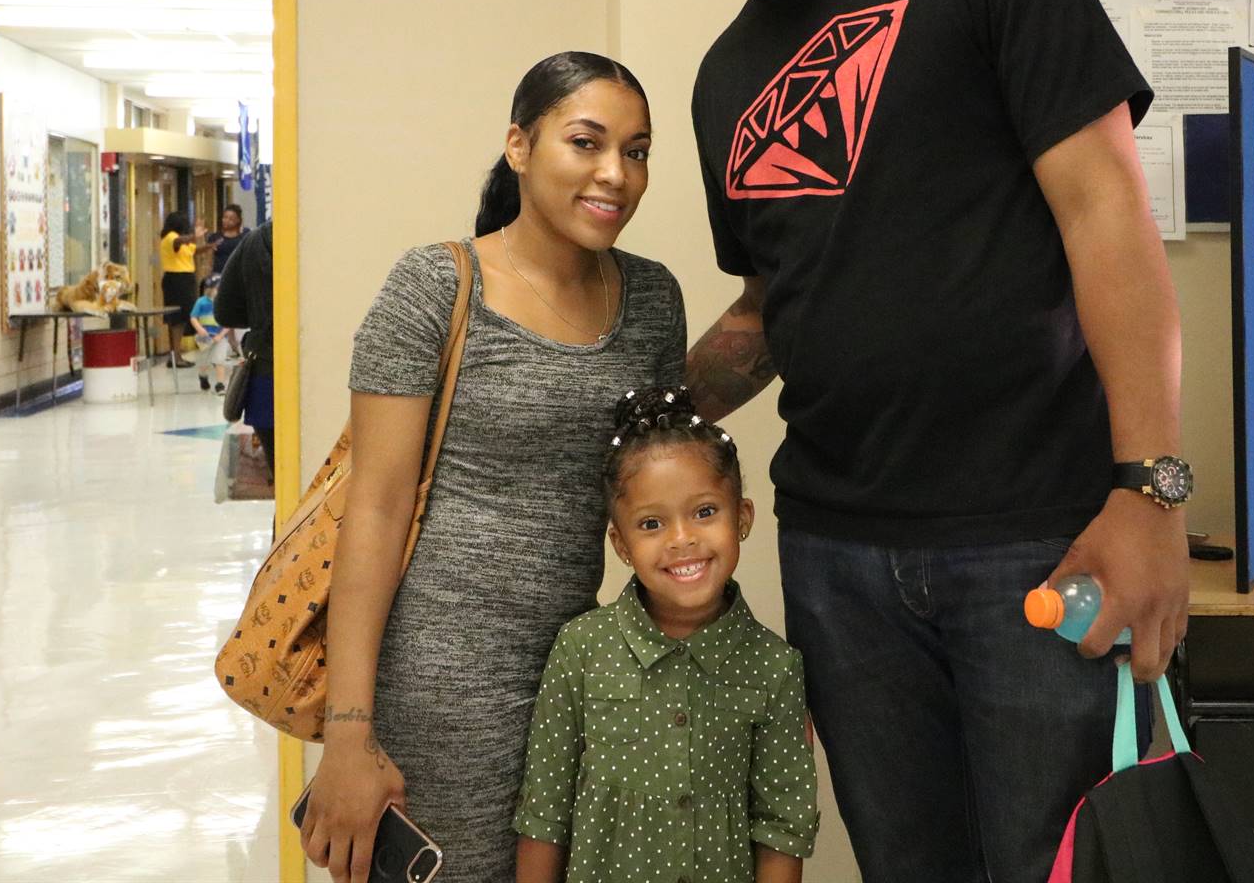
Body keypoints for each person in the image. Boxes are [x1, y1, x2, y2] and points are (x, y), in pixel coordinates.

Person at [666, 0, 1189, 882]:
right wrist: (649, 407)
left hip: (1034, 533)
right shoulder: (721, 80)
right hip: (837, 556)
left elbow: (1108, 213)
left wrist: (1151, 486)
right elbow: (774, 296)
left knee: (1062, 865)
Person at [299, 53, 688, 883]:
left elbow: (658, 502)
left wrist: (706, 662)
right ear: (519, 144)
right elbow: (374, 510)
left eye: (639, 150)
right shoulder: (435, 287)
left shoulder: (653, 300)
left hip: (587, 671)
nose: (616, 174)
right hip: (440, 687)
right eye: (586, 142)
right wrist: (348, 731)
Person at [515, 385, 817, 883]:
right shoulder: (581, 650)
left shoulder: (775, 667)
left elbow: (783, 828)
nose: (682, 540)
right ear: (621, 544)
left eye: (704, 512)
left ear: (741, 518)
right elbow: (544, 814)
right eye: (651, 523)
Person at [214, 221, 274, 462]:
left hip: (266, 374)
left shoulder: (256, 241)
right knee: (330, 482)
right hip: (333, 380)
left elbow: (226, 312)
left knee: (281, 470)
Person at [157, 210, 208, 366]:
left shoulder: (183, 239)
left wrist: (209, 246)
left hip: (185, 279)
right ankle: (175, 356)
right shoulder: (170, 237)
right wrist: (194, 236)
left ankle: (176, 355)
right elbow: (178, 242)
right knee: (177, 319)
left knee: (183, 318)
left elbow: (194, 250)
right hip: (176, 280)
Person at [190, 275, 229, 393]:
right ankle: (203, 375)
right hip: (205, 337)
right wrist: (199, 329)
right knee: (204, 361)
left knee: (219, 360)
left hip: (220, 337)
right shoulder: (201, 302)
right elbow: (193, 317)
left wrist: (221, 335)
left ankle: (220, 384)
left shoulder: (225, 303)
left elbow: (229, 322)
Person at [210, 203, 249, 278]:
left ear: (238, 220)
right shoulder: (215, 237)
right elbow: (209, 259)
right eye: (225, 217)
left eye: (231, 219)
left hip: (238, 275)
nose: (226, 221)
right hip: (218, 275)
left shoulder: (244, 236)